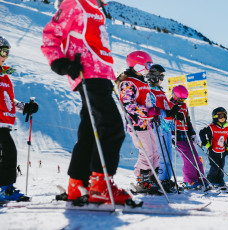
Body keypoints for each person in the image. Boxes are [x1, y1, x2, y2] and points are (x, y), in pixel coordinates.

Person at [41, 0, 131, 205]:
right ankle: (100, 186)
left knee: (91, 131)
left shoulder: (95, 8)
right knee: (112, 126)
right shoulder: (76, 3)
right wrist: (60, 63)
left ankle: (76, 184)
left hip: (101, 74)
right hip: (87, 73)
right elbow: (51, 34)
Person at [0, 36, 39, 202]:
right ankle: (5, 189)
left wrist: (25, 107)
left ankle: (5, 189)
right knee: (8, 153)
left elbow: (8, 100)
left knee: (7, 154)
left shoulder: (5, 76)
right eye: (2, 51)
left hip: (4, 123)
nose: (5, 55)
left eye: (7, 52)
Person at [117, 51, 160, 194]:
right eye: (148, 64)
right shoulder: (127, 82)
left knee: (154, 151)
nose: (149, 68)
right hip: (136, 124)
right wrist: (147, 112)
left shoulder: (142, 81)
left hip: (147, 123)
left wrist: (153, 111)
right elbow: (128, 104)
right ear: (138, 64)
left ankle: (152, 178)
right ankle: (142, 181)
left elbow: (146, 101)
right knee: (146, 151)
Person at [146, 64, 179, 192]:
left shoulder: (160, 91)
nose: (162, 79)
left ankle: (166, 179)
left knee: (168, 154)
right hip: (158, 126)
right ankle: (160, 179)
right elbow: (153, 110)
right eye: (161, 76)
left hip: (166, 127)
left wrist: (173, 110)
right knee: (161, 154)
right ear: (154, 77)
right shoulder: (150, 91)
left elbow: (165, 106)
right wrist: (167, 113)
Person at [169, 85, 204, 189]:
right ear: (174, 95)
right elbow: (167, 120)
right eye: (180, 99)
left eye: (184, 99)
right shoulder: (168, 105)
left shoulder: (184, 106)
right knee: (189, 158)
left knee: (196, 158)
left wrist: (193, 134)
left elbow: (187, 121)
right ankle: (190, 181)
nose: (182, 101)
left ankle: (201, 179)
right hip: (177, 135)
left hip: (186, 135)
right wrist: (171, 135)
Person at [199, 107, 228, 189]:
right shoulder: (211, 127)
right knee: (215, 167)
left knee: (221, 166)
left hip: (222, 150)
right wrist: (206, 144)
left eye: (224, 116)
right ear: (215, 117)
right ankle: (210, 181)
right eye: (220, 116)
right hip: (213, 150)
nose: (222, 118)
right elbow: (202, 133)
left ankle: (220, 181)